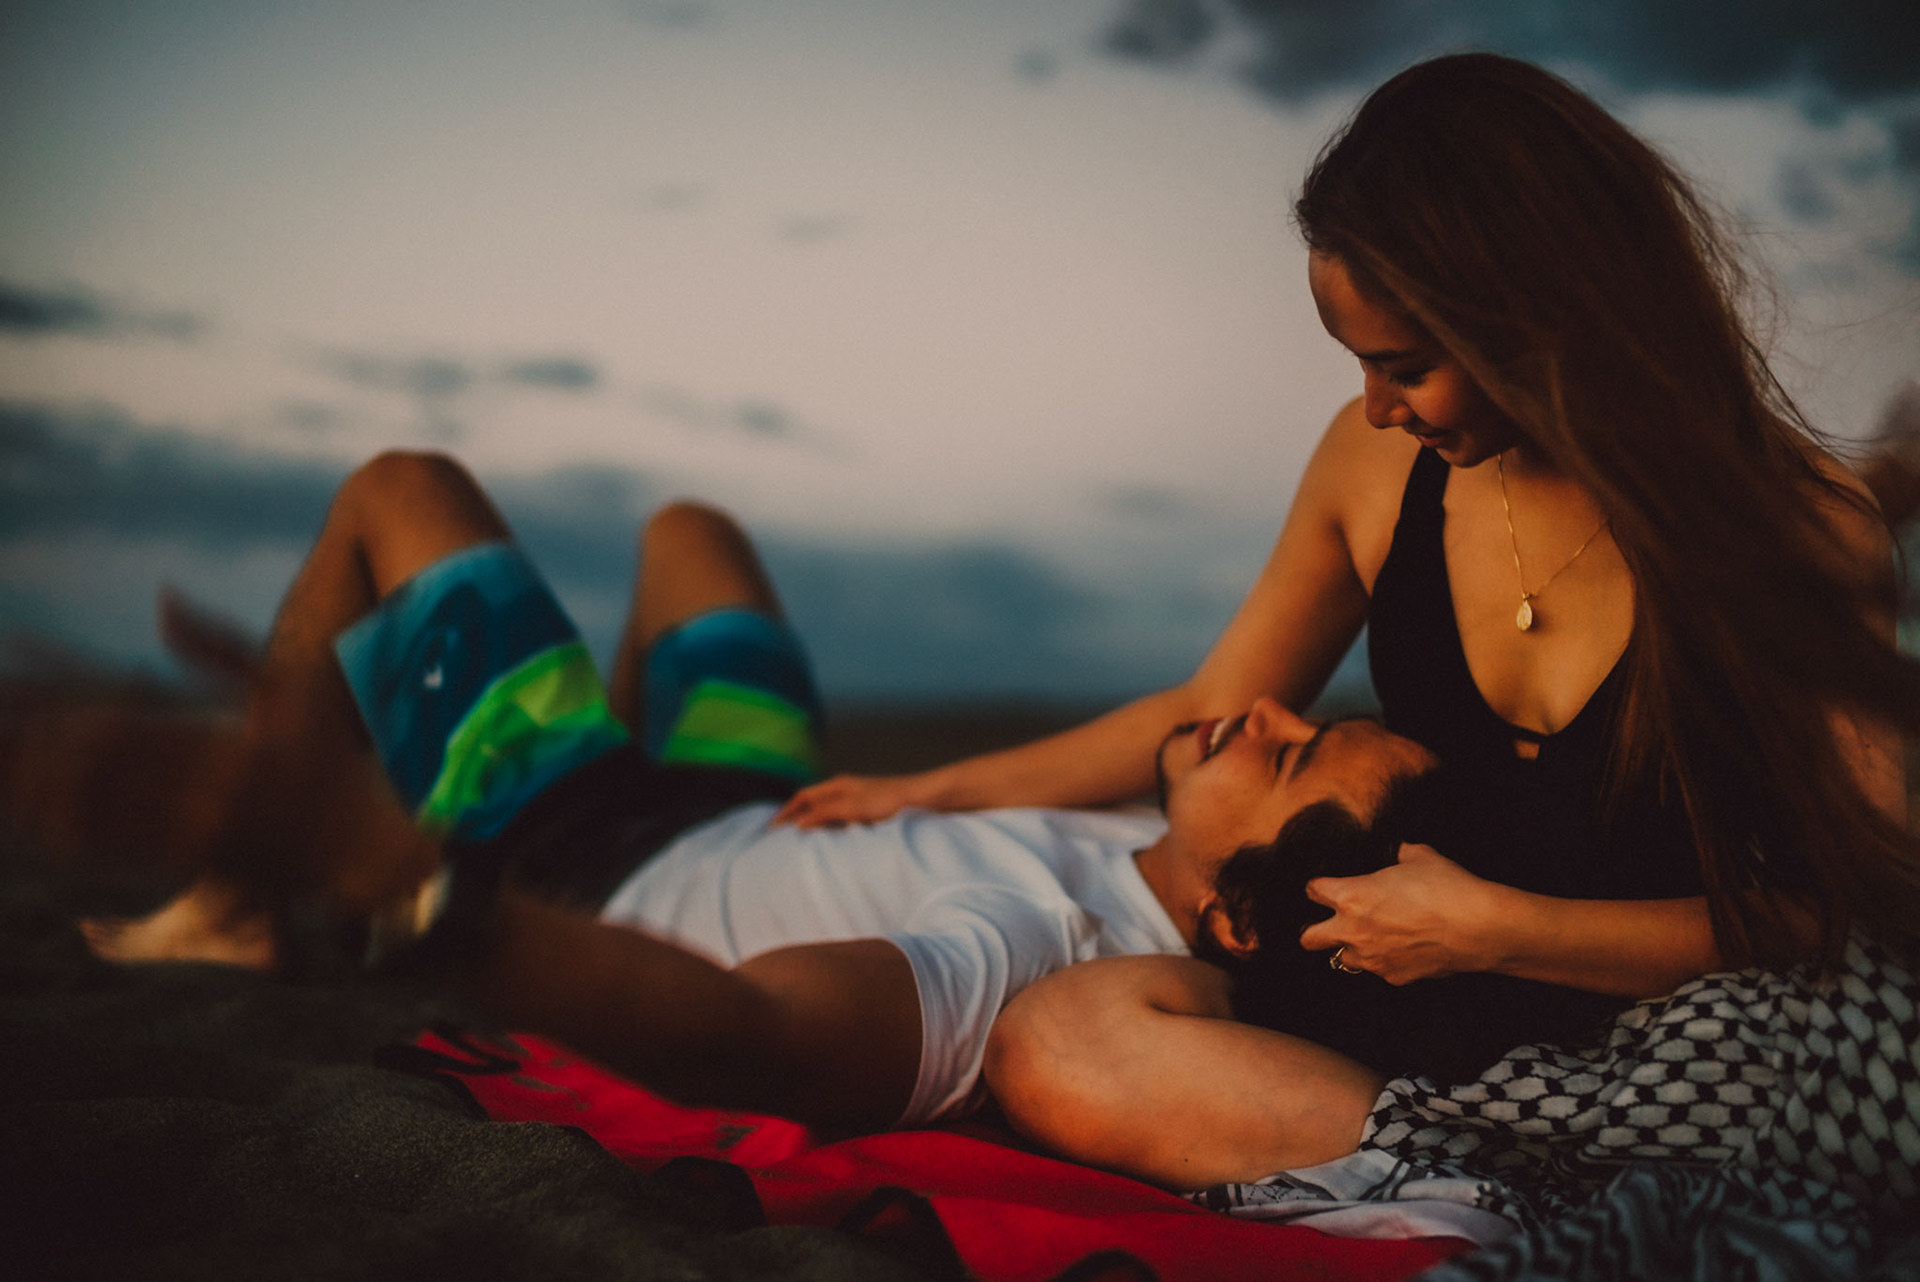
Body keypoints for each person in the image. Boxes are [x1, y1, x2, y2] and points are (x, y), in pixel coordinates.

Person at [773, 53, 1920, 1173]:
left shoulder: (1796, 524)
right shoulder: (1376, 473)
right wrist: (928, 788)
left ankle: (1491, 1175)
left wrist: (1504, 929)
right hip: (1406, 1001)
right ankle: (1484, 1168)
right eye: (1360, 364)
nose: (1373, 408)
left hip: (1659, 1018)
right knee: (1062, 1034)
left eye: (1407, 366)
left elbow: (1842, 911)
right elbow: (1211, 707)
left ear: (1546, 316)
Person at [52, 449, 1452, 1179]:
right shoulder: (1152, 842)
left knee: (400, 490)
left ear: (1233, 914)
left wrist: (414, 877)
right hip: (750, 797)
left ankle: (242, 893)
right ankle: (571, 727)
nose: (1268, 708)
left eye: (1287, 754)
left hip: (587, 847)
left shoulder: (1037, 942)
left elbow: (763, 1037)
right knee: (689, 533)